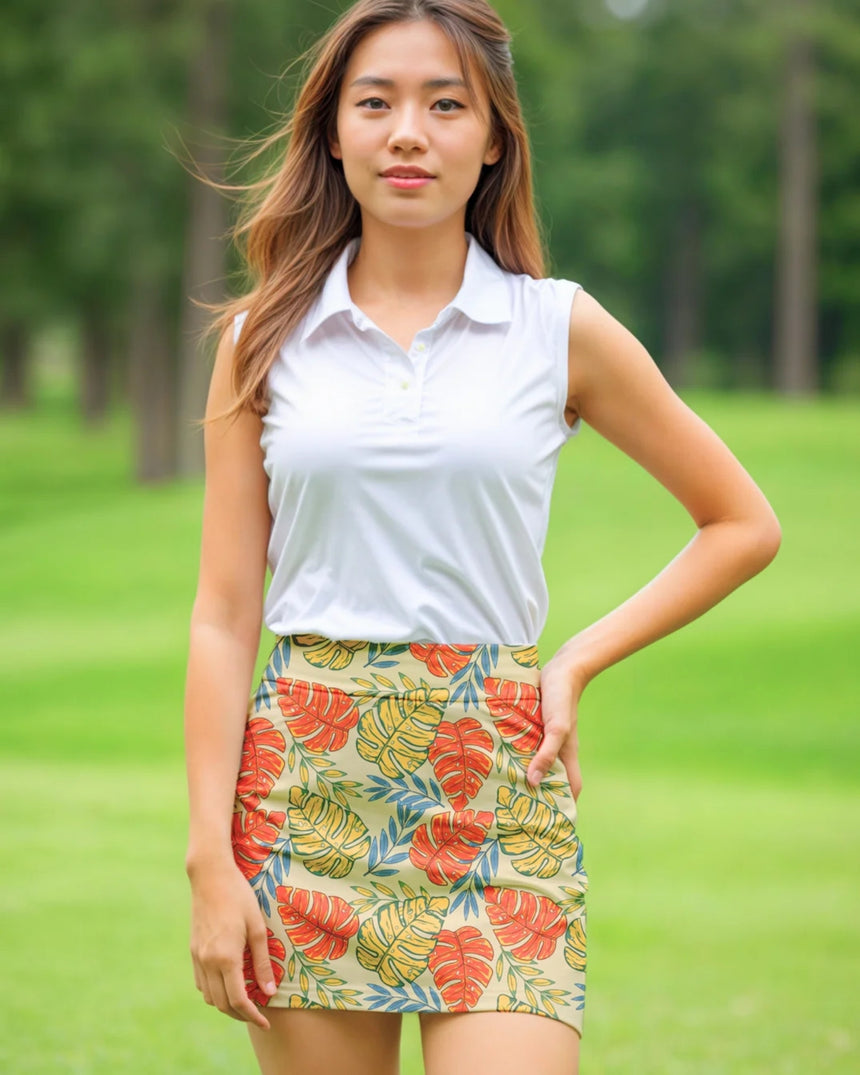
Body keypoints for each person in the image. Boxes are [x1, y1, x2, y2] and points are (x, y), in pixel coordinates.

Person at [182, 1, 781, 1072]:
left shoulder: (558, 329)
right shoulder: (258, 340)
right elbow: (225, 615)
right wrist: (208, 864)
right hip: (306, 791)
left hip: (498, 786)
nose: (407, 131)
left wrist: (576, 659)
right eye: (376, 103)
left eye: (444, 104)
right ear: (334, 132)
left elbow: (738, 523)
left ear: (493, 134)